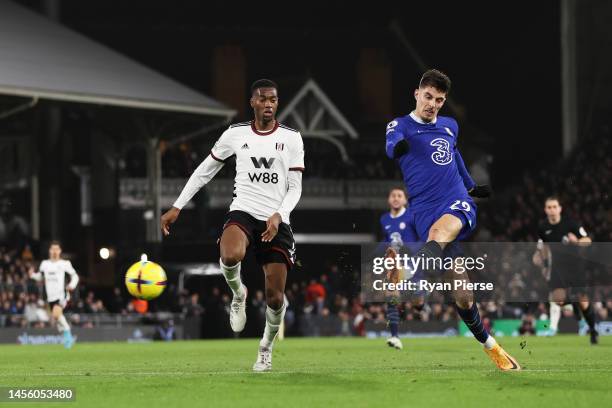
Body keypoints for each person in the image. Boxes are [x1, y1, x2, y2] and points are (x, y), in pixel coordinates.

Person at [161, 79, 304, 372]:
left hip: (277, 218)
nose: (268, 105)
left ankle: (265, 348)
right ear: (252, 102)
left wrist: (279, 214)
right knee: (229, 256)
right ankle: (239, 293)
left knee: (276, 298)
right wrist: (177, 205)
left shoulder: (292, 138)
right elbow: (205, 170)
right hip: (244, 211)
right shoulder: (235, 134)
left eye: (273, 100)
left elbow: (295, 187)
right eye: (262, 99)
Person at [384, 69, 520, 370]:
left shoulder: (449, 125)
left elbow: (455, 156)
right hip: (422, 210)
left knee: (438, 232)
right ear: (417, 94)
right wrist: (398, 147)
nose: (433, 104)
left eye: (439, 100)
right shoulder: (400, 124)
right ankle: (491, 346)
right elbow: (390, 144)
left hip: (455, 201)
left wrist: (471, 186)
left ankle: (408, 271)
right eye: (428, 97)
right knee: (462, 295)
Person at [532, 196, 598, 344]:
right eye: (549, 207)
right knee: (558, 299)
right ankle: (573, 305)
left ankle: (593, 330)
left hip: (575, 266)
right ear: (545, 210)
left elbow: (588, 240)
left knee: (583, 301)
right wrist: (539, 258)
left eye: (554, 207)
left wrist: (577, 241)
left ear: (560, 208)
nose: (552, 210)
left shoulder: (570, 224)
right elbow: (543, 247)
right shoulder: (543, 228)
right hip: (557, 267)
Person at [29, 241, 79, 348]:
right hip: (50, 297)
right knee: (56, 317)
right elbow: (40, 277)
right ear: (49, 251)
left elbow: (75, 276)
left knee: (56, 314)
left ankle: (67, 334)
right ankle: (64, 330)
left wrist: (72, 285)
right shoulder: (45, 264)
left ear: (60, 251)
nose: (54, 251)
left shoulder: (65, 264)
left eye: (57, 249)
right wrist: (32, 275)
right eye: (52, 249)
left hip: (62, 295)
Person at [379, 187, 411, 350]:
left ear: (405, 200)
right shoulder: (384, 219)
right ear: (389, 199)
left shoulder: (412, 216)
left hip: (413, 262)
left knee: (418, 302)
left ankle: (420, 303)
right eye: (393, 195)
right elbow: (385, 242)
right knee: (391, 294)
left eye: (399, 195)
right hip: (395, 264)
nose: (396, 198)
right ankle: (395, 336)